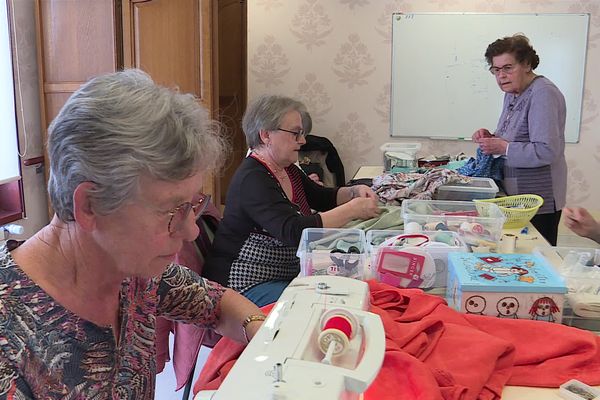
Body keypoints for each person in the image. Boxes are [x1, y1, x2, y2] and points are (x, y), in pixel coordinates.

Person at [0, 69, 266, 399]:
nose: (191, 229)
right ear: (90, 205)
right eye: (171, 210)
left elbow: (216, 304)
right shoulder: (10, 337)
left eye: (192, 204)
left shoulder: (137, 274)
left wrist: (262, 331)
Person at [203, 95, 380, 306]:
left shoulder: (287, 170)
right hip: (243, 284)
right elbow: (293, 232)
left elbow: (322, 197)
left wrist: (354, 192)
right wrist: (353, 210)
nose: (303, 140)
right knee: (325, 302)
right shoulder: (253, 179)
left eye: (302, 133)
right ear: (266, 134)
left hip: (279, 275)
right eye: (296, 133)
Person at [471, 34, 567, 246]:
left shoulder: (543, 93)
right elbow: (515, 135)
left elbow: (546, 151)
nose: (501, 76)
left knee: (536, 257)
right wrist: (491, 137)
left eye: (508, 68)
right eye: (496, 70)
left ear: (526, 64)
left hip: (538, 198)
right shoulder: (513, 92)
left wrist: (503, 147)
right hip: (517, 195)